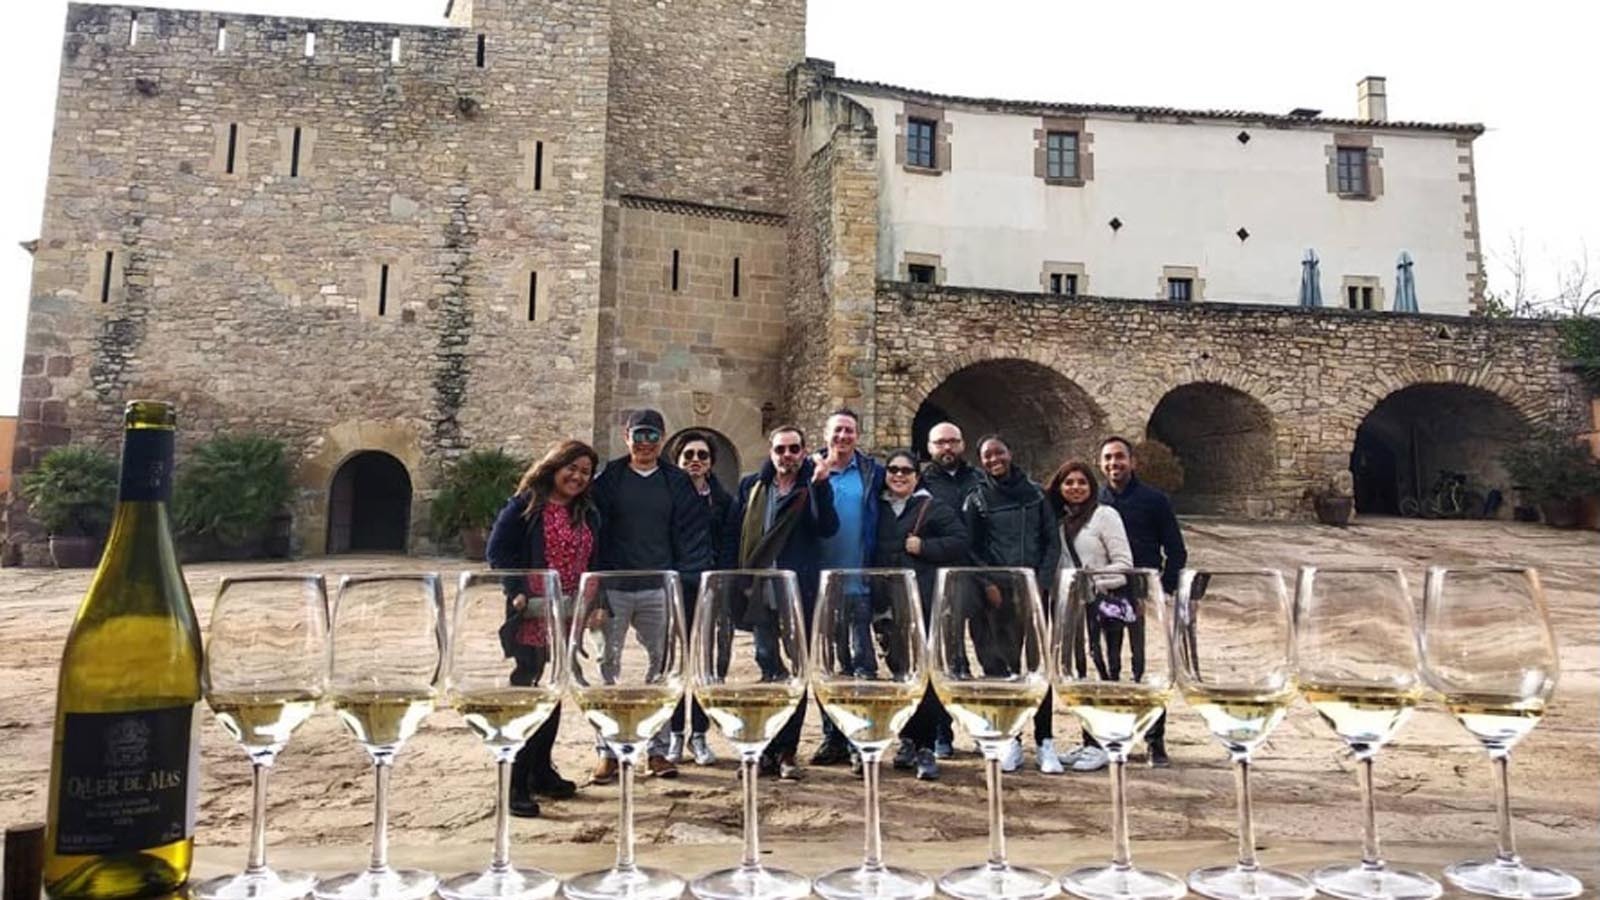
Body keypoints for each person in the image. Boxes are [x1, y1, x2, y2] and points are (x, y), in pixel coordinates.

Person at [587, 409, 715, 782]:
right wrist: (595, 591)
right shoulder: (609, 479)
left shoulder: (677, 482)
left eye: (653, 436)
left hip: (659, 589)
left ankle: (657, 751)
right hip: (614, 589)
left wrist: (682, 583)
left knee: (664, 668)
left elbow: (692, 535)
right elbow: (595, 532)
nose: (645, 443)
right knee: (606, 670)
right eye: (639, 435)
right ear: (626, 436)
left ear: (662, 440)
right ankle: (606, 751)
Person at [484, 439, 599, 817]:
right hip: (531, 614)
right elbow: (498, 551)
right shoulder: (525, 505)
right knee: (529, 698)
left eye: (585, 472)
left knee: (554, 697)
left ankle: (540, 771)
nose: (578, 477)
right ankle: (514, 783)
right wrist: (515, 589)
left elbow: (595, 558)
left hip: (567, 616)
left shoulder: (586, 511)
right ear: (555, 465)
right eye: (573, 468)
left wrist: (596, 602)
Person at [726, 425, 838, 779]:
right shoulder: (752, 487)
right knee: (768, 668)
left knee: (797, 673)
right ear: (771, 452)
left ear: (804, 452)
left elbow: (827, 528)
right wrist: (737, 582)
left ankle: (787, 751)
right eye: (780, 449)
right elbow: (735, 533)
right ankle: (766, 748)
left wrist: (821, 486)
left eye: (793, 449)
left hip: (798, 593)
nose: (786, 456)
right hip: (760, 591)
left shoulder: (813, 486)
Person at [963, 434, 1063, 774]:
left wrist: (1044, 580)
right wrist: (987, 581)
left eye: (999, 452)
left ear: (1010, 453)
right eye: (987, 455)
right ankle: (1012, 739)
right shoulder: (976, 499)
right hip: (998, 594)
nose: (994, 459)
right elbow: (971, 547)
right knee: (1003, 668)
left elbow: (1052, 540)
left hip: (1034, 590)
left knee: (1038, 668)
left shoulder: (1036, 495)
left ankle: (1046, 741)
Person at [874, 449, 968, 781]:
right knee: (901, 674)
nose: (899, 475)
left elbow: (960, 541)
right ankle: (908, 740)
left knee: (925, 676)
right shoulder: (879, 507)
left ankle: (926, 745)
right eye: (893, 470)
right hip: (889, 605)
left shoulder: (933, 506)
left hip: (924, 601)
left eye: (906, 471)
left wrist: (925, 548)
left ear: (917, 476)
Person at [1097, 436, 1187, 768]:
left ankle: (1154, 740)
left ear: (1132, 462)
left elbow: (1175, 550)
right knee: (1108, 665)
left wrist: (1163, 588)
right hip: (1106, 594)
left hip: (1141, 593)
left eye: (1119, 457)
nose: (1113, 464)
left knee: (1145, 668)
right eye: (1107, 458)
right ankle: (1109, 736)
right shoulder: (1096, 501)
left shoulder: (1154, 500)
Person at [810, 408, 888, 770]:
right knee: (827, 667)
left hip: (859, 582)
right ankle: (833, 738)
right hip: (820, 586)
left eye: (849, 431)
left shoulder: (873, 473)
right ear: (826, 435)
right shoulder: (810, 472)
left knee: (862, 665)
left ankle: (862, 740)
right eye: (837, 430)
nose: (843, 437)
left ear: (858, 435)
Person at [1044, 459, 1133, 773]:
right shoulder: (1059, 519)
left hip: (1101, 605)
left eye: (1082, 482)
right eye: (1068, 483)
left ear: (1091, 486)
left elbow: (1124, 562)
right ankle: (1088, 739)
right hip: (1069, 608)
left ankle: (1104, 743)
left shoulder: (1105, 516)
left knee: (1103, 672)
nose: (1075, 488)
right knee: (1076, 674)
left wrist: (1089, 579)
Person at [663, 430, 735, 767]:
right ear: (678, 461)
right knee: (678, 667)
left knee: (705, 667)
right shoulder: (668, 497)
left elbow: (728, 543)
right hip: (677, 588)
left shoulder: (721, 499)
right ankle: (676, 735)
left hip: (709, 589)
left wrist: (722, 581)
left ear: (710, 463)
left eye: (702, 456)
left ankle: (700, 735)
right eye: (688, 455)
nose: (695, 460)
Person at [919, 421, 982, 758]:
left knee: (987, 655)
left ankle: (988, 729)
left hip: (978, 577)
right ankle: (942, 731)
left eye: (953, 442)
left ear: (962, 444)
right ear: (930, 448)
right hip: (938, 580)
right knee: (943, 657)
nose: (947, 448)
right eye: (940, 442)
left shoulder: (980, 479)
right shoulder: (922, 484)